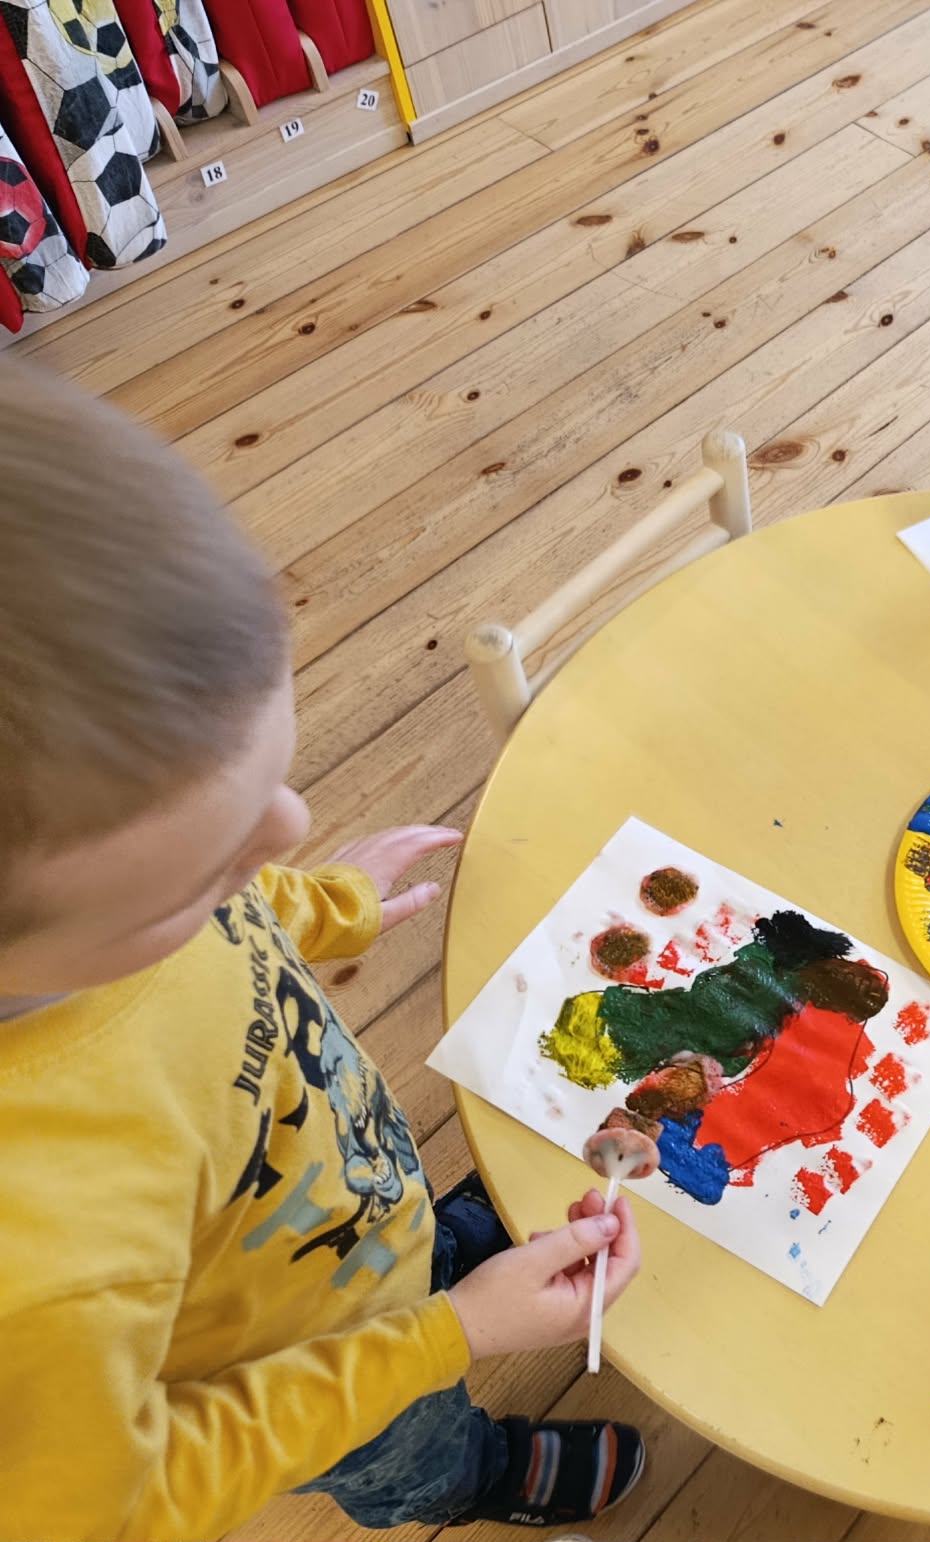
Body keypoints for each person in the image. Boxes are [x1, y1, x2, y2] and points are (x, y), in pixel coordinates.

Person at [0, 355, 648, 1541]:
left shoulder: (94, 906)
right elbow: (134, 1499)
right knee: (418, 1448)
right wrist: (453, 1336)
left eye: (268, 790)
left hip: (357, 1213)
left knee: (436, 1244)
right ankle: (477, 1477)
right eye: (209, 868)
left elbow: (221, 934)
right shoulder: (36, 1271)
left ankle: (444, 1256)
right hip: (318, 1380)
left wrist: (323, 903)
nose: (291, 828)